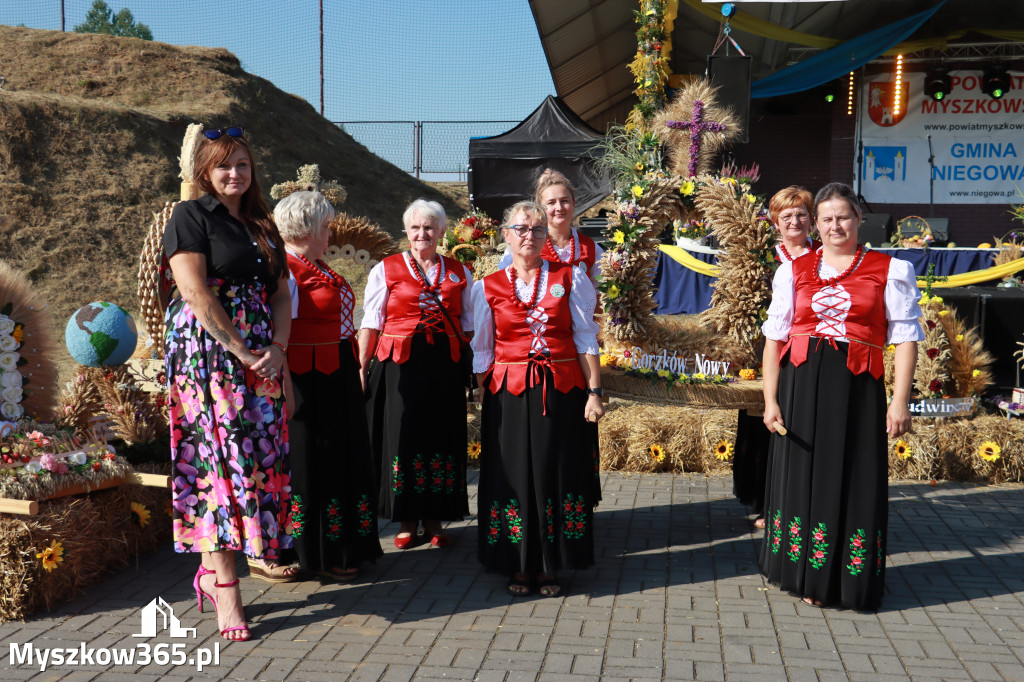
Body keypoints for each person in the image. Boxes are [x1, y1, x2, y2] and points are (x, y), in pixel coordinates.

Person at [759, 182, 922, 611]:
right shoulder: (791, 270)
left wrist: (899, 400)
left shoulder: (890, 269)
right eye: (827, 219)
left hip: (856, 389)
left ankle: (844, 580)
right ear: (817, 223)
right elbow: (774, 340)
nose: (835, 226)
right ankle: (802, 573)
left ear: (858, 219)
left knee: (852, 477)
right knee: (802, 476)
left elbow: (905, 340)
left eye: (843, 217)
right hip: (799, 387)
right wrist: (770, 400)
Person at [163, 126, 296, 642]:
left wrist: (277, 349)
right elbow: (195, 293)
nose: (233, 174)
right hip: (209, 359)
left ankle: (233, 563)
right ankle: (227, 588)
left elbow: (281, 292)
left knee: (258, 464)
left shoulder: (263, 223)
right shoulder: (191, 217)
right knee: (217, 467)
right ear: (204, 171)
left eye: (242, 164)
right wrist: (242, 350)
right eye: (223, 166)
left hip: (262, 358)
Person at [471, 200, 603, 598]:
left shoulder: (571, 277)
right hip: (508, 393)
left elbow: (584, 336)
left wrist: (594, 390)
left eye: (537, 230)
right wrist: (481, 393)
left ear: (547, 236)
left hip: (561, 390)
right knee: (512, 475)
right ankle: (518, 561)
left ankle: (550, 563)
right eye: (521, 229)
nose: (530, 236)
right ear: (506, 236)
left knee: (556, 470)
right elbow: (482, 348)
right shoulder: (486, 286)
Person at [276, 190, 383, 580]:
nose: (331, 233)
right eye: (326, 226)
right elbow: (277, 335)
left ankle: (345, 543)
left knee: (343, 457)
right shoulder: (284, 269)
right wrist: (286, 386)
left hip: (336, 370)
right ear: (306, 228)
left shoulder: (315, 264)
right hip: (306, 379)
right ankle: (315, 551)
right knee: (313, 460)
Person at [359, 199, 473, 549]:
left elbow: (470, 323)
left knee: (441, 436)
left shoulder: (459, 271)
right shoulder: (386, 269)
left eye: (429, 228)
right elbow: (371, 321)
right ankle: (407, 519)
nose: (422, 234)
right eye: (415, 228)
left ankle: (435, 519)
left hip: (444, 364)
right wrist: (361, 367)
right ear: (406, 232)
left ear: (441, 232)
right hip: (399, 366)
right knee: (403, 437)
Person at [733, 186, 821, 530]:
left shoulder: (825, 255)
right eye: (787, 216)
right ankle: (764, 503)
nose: (795, 221)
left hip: (811, 355)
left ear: (812, 220)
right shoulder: (762, 260)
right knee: (763, 429)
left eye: (801, 214)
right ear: (775, 223)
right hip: (766, 352)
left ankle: (802, 501)